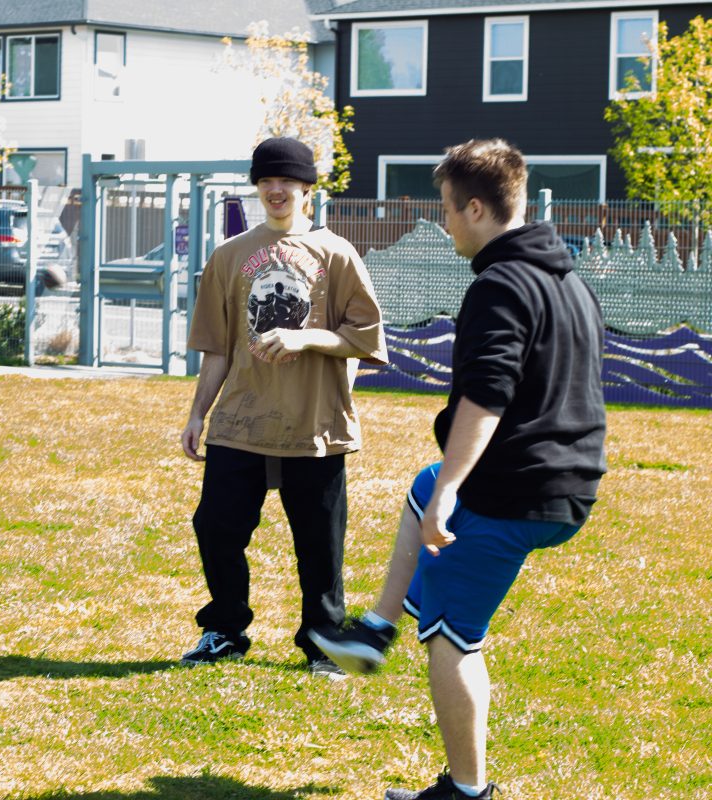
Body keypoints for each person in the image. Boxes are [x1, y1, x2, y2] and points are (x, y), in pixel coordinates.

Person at [311, 139, 607, 799]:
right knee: (421, 486)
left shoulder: (500, 285)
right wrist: (439, 485)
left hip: (516, 493)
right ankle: (377, 629)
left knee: (451, 635)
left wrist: (452, 489)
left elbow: (488, 394)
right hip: (571, 481)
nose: (444, 224)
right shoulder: (568, 279)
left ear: (476, 208)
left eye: (446, 210)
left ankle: (467, 791)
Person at [180, 137, 388, 673]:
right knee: (216, 527)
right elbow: (217, 350)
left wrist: (306, 338)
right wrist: (198, 413)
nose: (276, 190)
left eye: (287, 182)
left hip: (313, 422)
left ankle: (322, 644)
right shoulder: (228, 257)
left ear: (306, 189)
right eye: (267, 180)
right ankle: (225, 628)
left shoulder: (337, 254)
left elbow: (365, 338)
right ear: (256, 186)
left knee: (319, 541)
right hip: (241, 420)